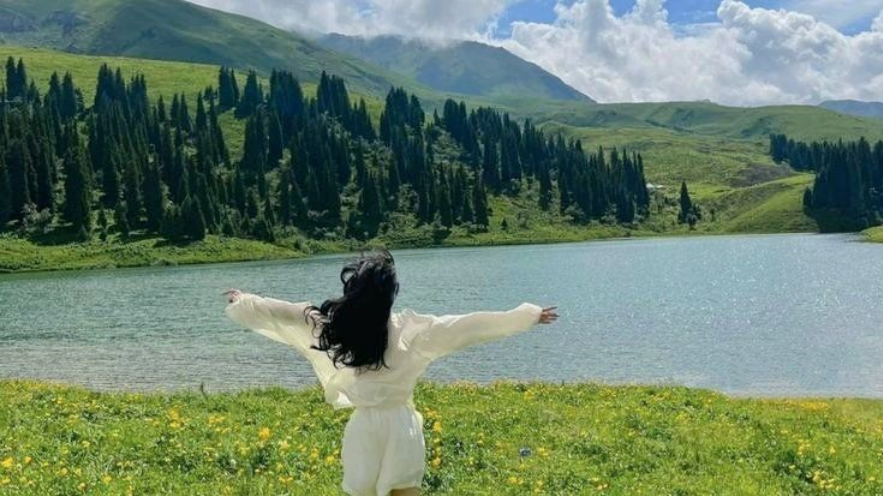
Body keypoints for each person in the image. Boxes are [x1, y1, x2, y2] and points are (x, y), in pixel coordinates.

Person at [224, 250, 558, 496]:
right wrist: (525, 316)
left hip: (364, 429)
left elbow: (289, 313)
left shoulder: (340, 328)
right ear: (390, 296)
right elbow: (468, 326)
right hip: (401, 428)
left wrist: (245, 301)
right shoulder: (412, 332)